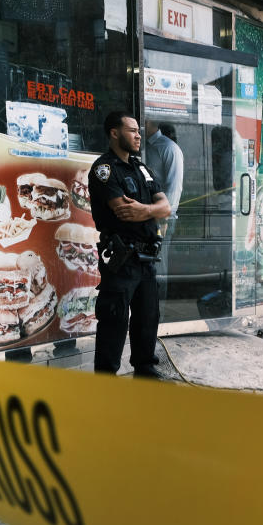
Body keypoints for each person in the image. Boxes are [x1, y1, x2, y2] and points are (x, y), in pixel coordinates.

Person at [88, 112, 171, 378]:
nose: (138, 135)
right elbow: (124, 210)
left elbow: (165, 206)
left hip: (147, 257)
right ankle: (106, 378)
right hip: (122, 258)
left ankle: (145, 369)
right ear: (114, 133)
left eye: (139, 130)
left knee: (147, 317)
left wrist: (146, 209)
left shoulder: (141, 168)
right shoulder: (104, 169)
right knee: (114, 320)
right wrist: (153, 210)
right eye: (132, 130)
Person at [145, 121, 184, 301]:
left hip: (161, 218)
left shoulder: (169, 148)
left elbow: (174, 188)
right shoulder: (142, 146)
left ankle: (157, 314)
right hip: (144, 215)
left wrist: (164, 218)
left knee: (158, 268)